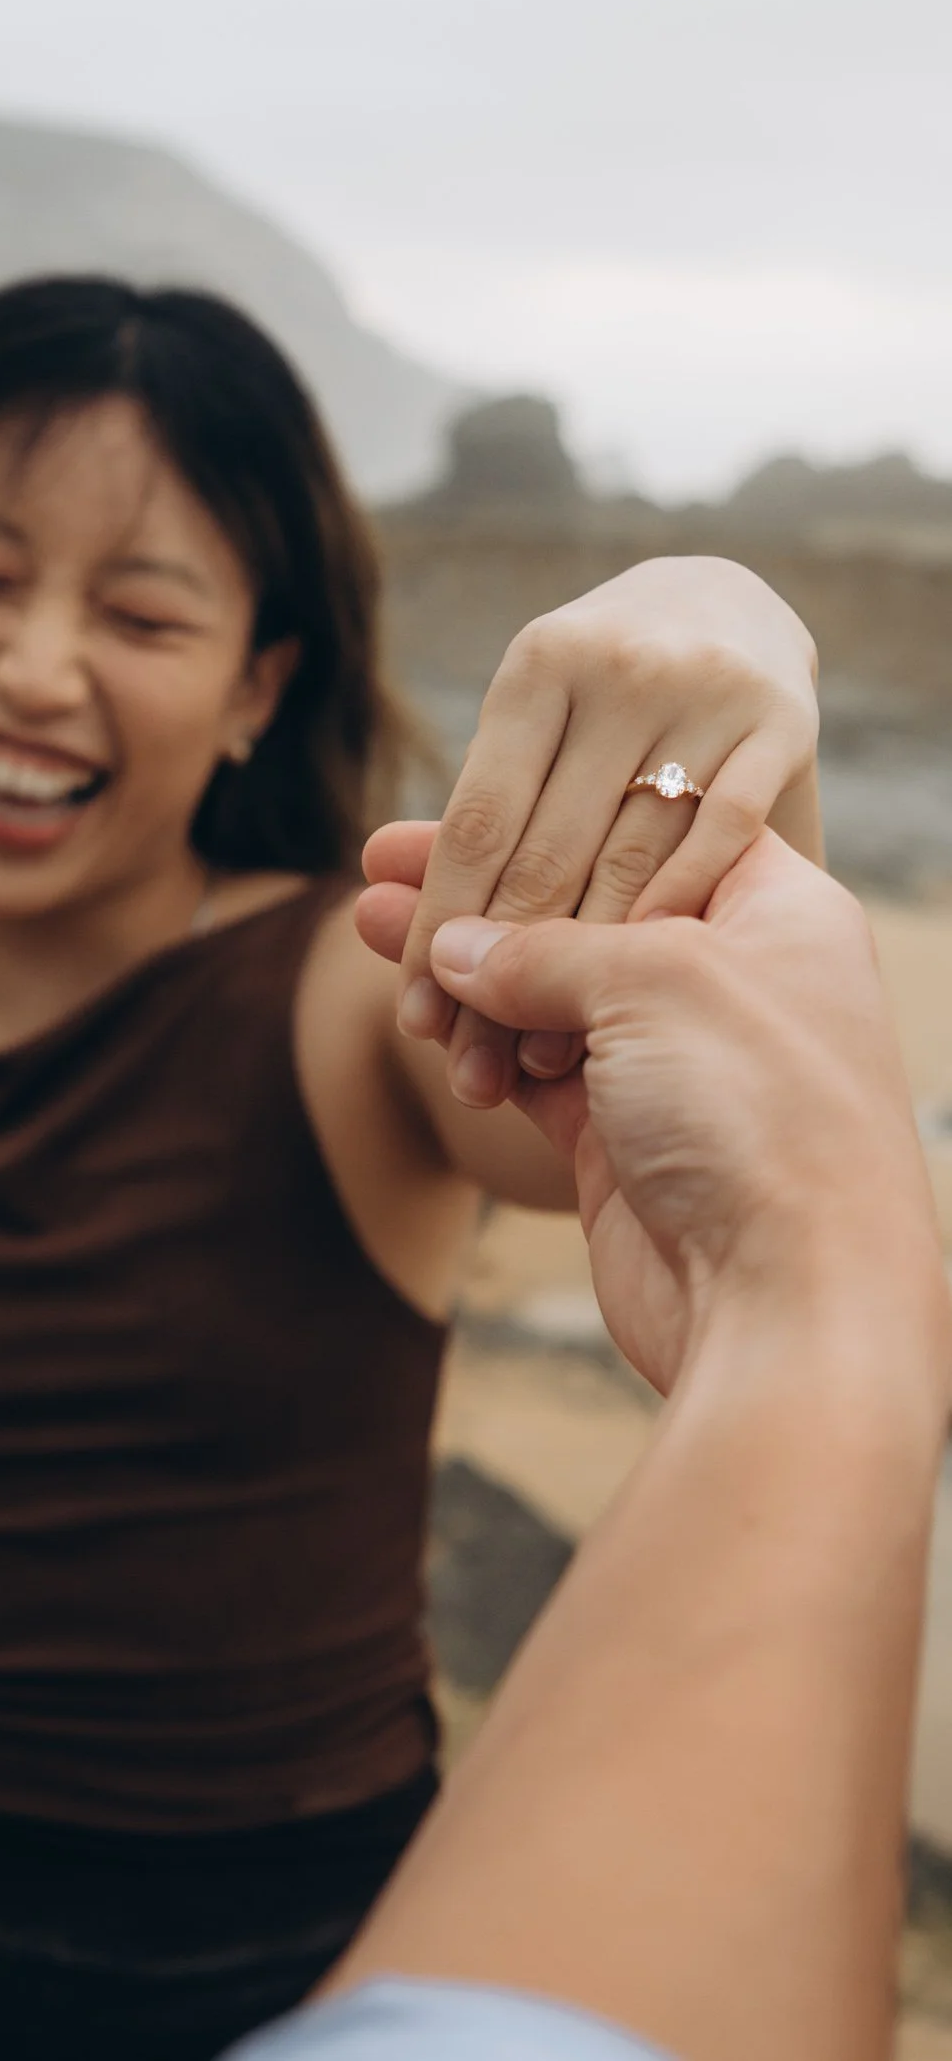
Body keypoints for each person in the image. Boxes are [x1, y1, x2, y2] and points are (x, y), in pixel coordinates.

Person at [0, 278, 823, 2061]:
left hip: (304, 2000)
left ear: (255, 687)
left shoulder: (350, 1003)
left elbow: (693, 1105)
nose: (34, 668)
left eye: (139, 610)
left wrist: (730, 614)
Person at [225, 827, 951, 2060]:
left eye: (138, 616)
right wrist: (817, 1266)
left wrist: (719, 798)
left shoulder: (322, 988)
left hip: (302, 1896)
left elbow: (585, 1096)